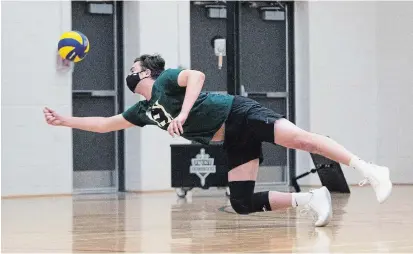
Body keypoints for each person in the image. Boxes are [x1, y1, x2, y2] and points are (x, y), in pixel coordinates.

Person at [43, 54, 392, 227]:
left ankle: (370, 169)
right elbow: (105, 123)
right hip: (230, 139)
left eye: (134, 67)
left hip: (239, 113)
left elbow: (196, 75)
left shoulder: (165, 79)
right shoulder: (144, 110)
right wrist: (65, 121)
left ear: (145, 72)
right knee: (241, 202)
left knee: (301, 140)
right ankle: (311, 199)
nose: (130, 72)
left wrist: (182, 114)